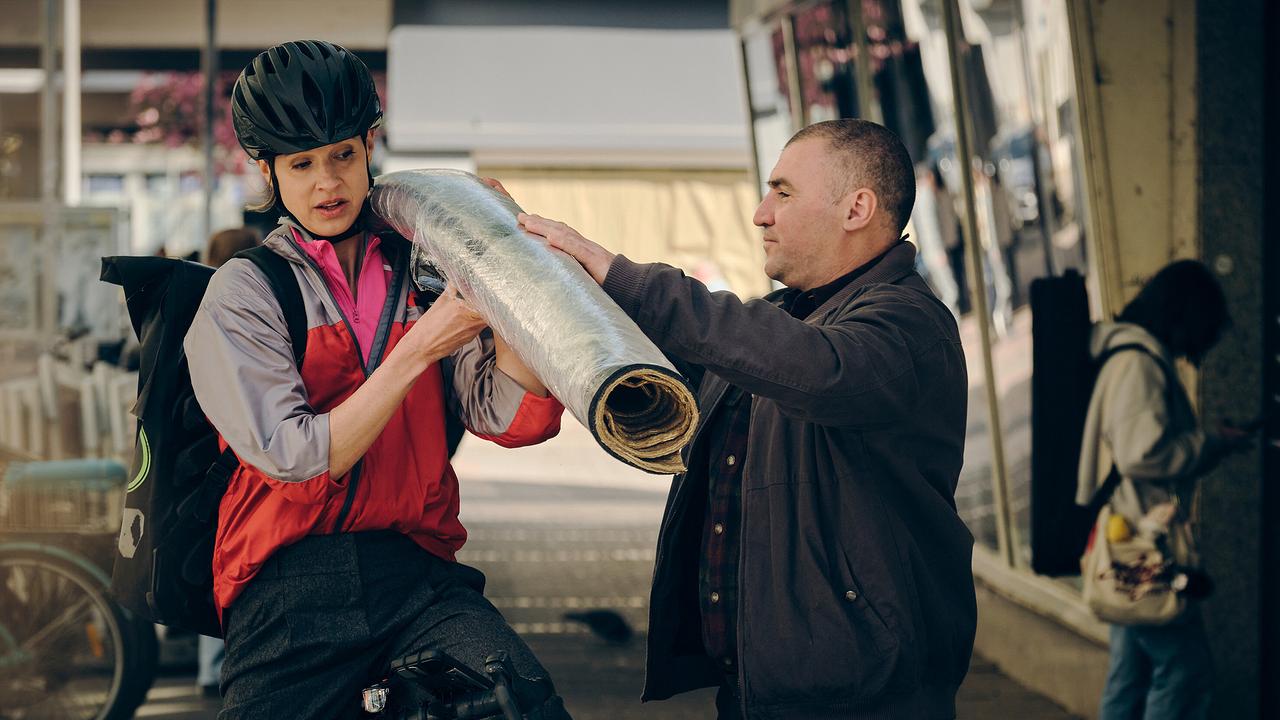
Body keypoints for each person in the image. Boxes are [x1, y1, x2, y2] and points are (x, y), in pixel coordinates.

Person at [518, 118, 976, 719]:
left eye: (783, 192)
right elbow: (655, 372)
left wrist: (622, 276)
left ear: (857, 208)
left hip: (865, 696)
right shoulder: (781, 320)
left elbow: (816, 369)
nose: (761, 215)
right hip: (753, 692)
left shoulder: (908, 323)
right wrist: (524, 270)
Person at [184, 40, 570, 720]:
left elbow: (506, 415)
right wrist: (418, 348)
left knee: (525, 704)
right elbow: (297, 457)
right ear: (267, 171)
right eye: (301, 164)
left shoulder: (424, 265)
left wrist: (504, 260)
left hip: (416, 571)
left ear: (369, 145)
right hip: (287, 589)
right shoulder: (245, 292)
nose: (326, 183)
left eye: (342, 155)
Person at [1079, 260, 1250, 720]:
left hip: (1126, 540)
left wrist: (1211, 443)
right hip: (1142, 546)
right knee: (1184, 673)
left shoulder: (1129, 353)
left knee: (1129, 675)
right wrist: (1208, 443)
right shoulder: (1139, 363)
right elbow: (1142, 454)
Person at [196, 226, 262, 699]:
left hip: (208, 465)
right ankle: (220, 666)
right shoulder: (244, 303)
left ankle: (209, 669)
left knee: (213, 565)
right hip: (240, 469)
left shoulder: (198, 302)